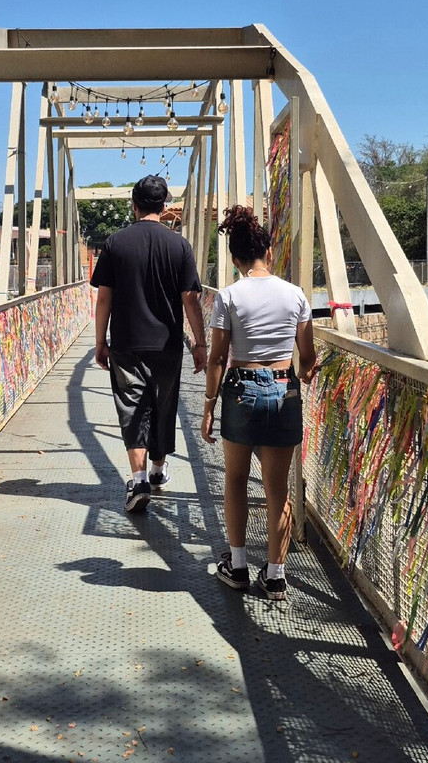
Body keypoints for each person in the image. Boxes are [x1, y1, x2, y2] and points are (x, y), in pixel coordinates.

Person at [201, 205, 317, 600]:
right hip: (284, 387)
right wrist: (305, 371)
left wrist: (209, 406)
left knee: (234, 479)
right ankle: (276, 575)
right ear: (269, 251)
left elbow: (218, 357)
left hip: (240, 388)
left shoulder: (229, 296)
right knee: (277, 490)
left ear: (234, 259)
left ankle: (236, 566)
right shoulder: (295, 295)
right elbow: (308, 352)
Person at [91, 175, 208, 514]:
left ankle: (139, 478)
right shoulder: (179, 245)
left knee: (132, 408)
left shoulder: (115, 243)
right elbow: (190, 298)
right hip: (167, 344)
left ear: (134, 204)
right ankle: (158, 471)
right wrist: (200, 343)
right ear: (165, 206)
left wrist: (101, 341)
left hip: (126, 343)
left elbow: (103, 299)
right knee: (162, 405)